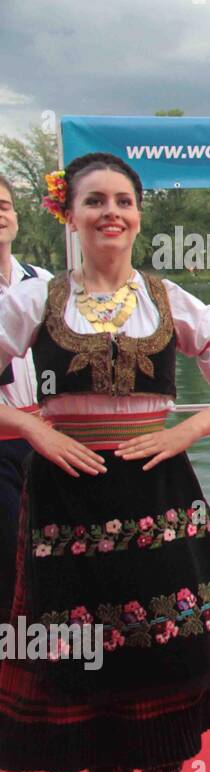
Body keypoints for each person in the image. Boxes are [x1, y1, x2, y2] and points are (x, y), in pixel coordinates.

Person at [0, 153, 210, 772]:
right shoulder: (35, 299)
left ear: (139, 214)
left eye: (123, 201)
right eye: (95, 201)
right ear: (68, 213)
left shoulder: (167, 299)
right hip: (68, 507)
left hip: (160, 499)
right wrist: (33, 428)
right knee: (91, 668)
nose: (111, 213)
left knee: (169, 660)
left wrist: (186, 432)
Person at [0, 173, 53, 617]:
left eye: (4, 204)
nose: (0, 211)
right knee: (6, 564)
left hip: (46, 439)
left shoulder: (41, 281)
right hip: (4, 437)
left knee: (48, 558)